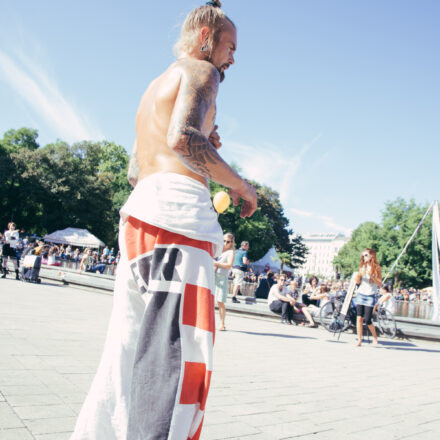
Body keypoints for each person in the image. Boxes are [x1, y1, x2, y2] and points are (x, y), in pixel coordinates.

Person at [70, 2, 257, 439]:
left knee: (128, 350)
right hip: (177, 221)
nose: (232, 57)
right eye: (230, 45)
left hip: (141, 213)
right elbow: (182, 138)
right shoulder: (200, 71)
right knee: (177, 360)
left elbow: (138, 169)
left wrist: (204, 150)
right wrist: (240, 186)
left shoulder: (154, 86)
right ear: (207, 36)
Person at [355, 248, 382, 347]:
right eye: (363, 256)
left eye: (366, 255)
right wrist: (358, 276)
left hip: (370, 295)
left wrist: (373, 276)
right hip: (361, 294)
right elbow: (357, 282)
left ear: (372, 256)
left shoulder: (377, 268)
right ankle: (359, 340)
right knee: (359, 318)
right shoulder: (362, 267)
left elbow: (380, 284)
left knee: (367, 319)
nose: (364, 257)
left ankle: (375, 338)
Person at [214, 232, 235, 331]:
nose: (226, 243)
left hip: (222, 277)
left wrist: (216, 263)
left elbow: (229, 265)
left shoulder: (230, 252)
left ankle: (222, 323)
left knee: (220, 301)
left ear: (232, 243)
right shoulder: (217, 249)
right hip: (212, 275)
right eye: (224, 240)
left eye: (228, 241)